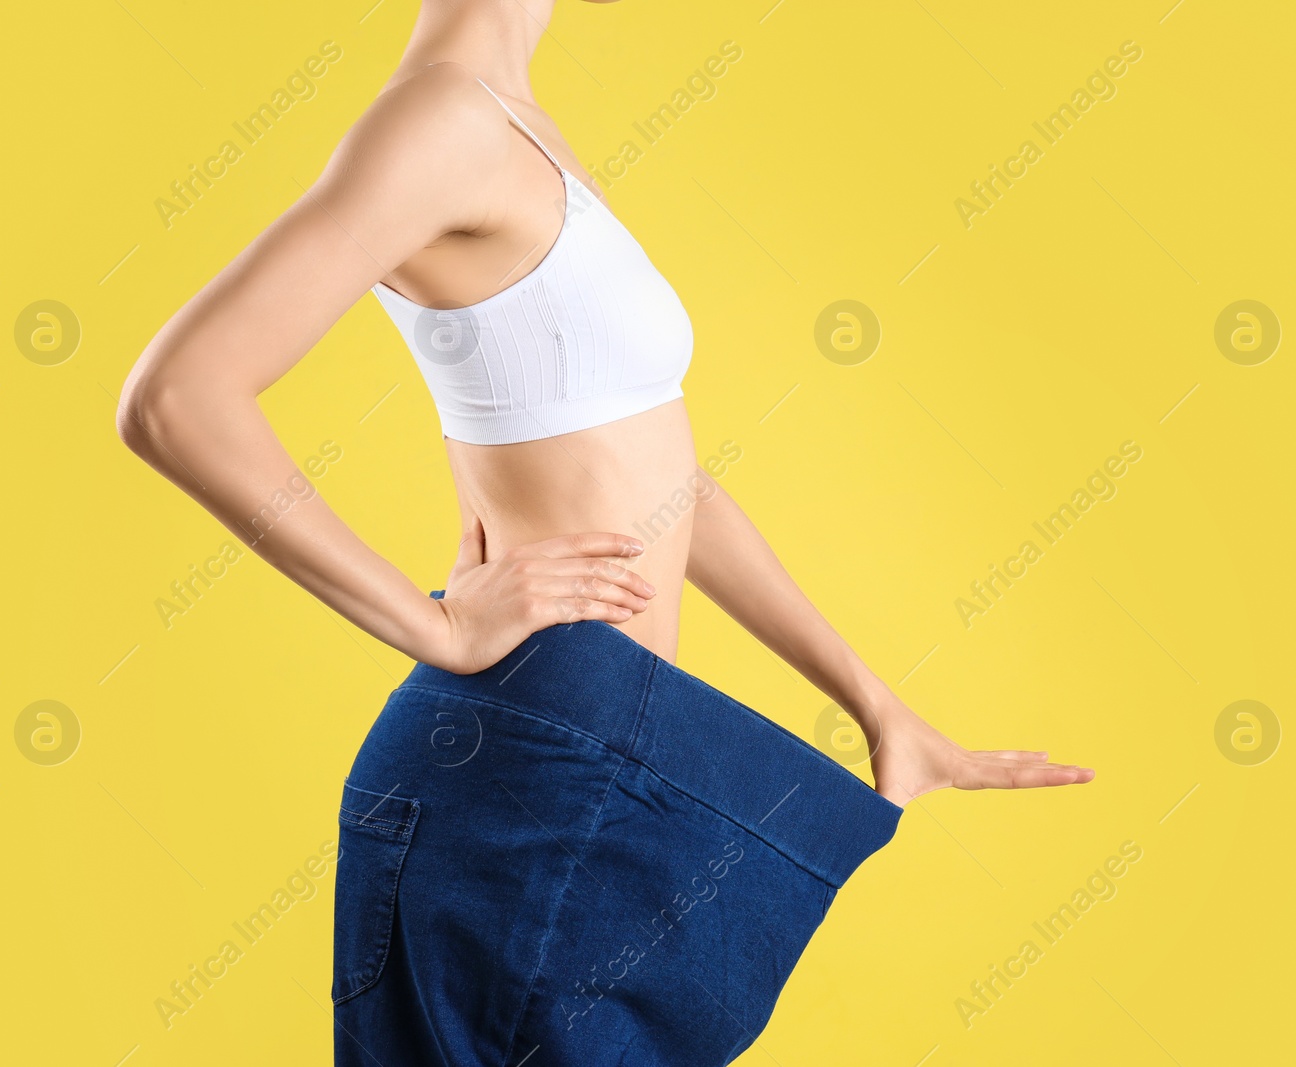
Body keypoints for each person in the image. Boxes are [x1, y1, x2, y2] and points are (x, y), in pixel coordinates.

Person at [116, 1, 1094, 1063]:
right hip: (537, 752)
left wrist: (874, 700)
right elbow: (176, 399)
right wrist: (434, 627)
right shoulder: (440, 123)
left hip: (599, 742)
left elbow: (664, 480)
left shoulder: (506, 118)